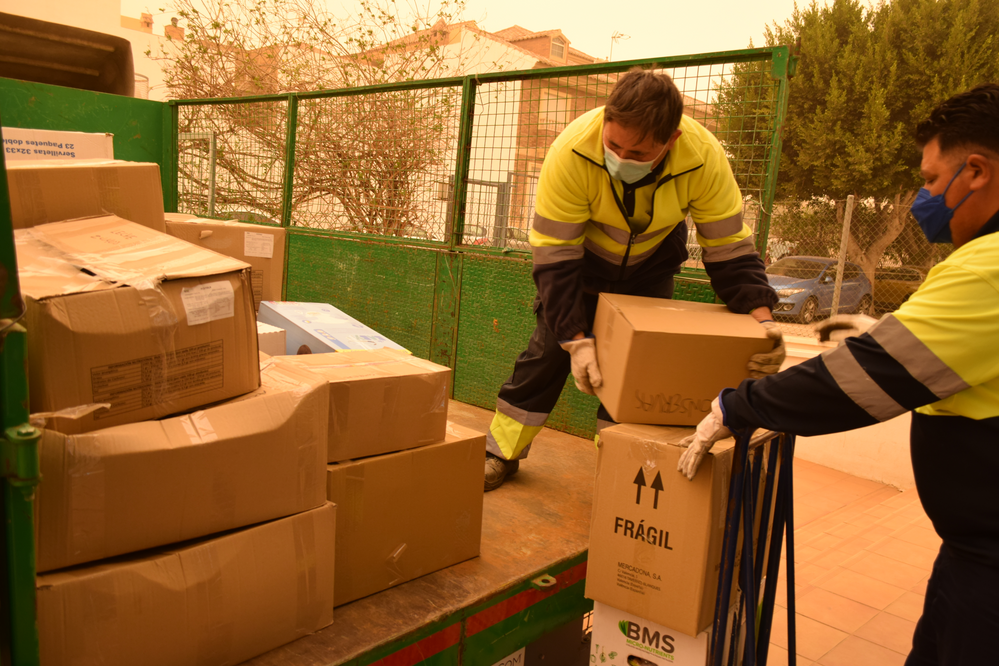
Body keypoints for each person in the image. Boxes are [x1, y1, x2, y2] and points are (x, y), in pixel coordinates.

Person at [678, 83, 999, 666]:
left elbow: (859, 385)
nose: (923, 197)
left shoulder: (989, 269)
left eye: (929, 181)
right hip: (973, 549)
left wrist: (737, 406)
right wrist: (885, 338)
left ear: (975, 170)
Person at [483, 68, 785, 492]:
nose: (622, 158)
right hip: (579, 264)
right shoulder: (569, 151)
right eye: (613, 145)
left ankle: (620, 470)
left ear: (671, 140)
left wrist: (762, 318)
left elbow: (729, 247)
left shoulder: (703, 157)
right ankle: (500, 452)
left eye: (640, 153)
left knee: (637, 370)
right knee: (547, 353)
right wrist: (575, 338)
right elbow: (554, 256)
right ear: (606, 120)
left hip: (650, 267)